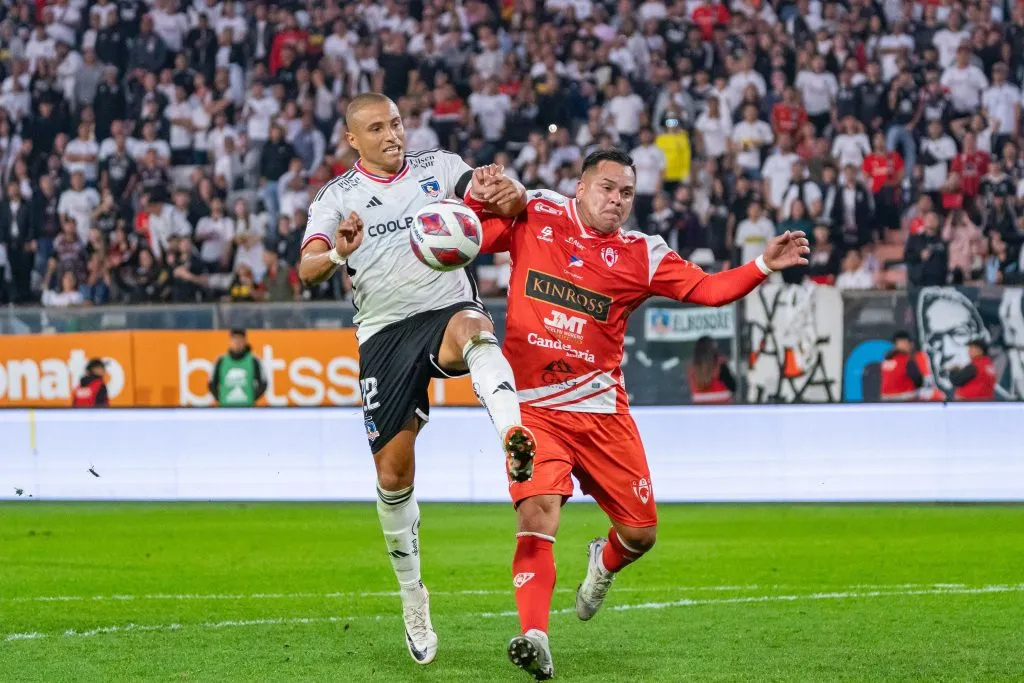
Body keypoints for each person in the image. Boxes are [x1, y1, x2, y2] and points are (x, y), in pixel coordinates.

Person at [468, 150, 809, 679]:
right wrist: (479, 194)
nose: (617, 201)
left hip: (602, 416)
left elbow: (709, 290)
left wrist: (763, 264)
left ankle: (601, 565)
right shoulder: (535, 212)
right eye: (607, 188)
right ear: (579, 187)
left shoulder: (642, 254)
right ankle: (535, 636)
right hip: (534, 411)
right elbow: (468, 236)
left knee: (641, 533)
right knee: (537, 515)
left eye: (626, 193)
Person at [297, 92, 535, 666]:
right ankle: (412, 596)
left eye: (397, 124)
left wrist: (497, 189)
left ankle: (513, 433)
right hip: (381, 335)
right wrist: (337, 255)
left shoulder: (440, 168)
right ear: (353, 139)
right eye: (377, 128)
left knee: (475, 327)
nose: (392, 135)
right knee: (393, 474)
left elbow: (490, 198)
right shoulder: (336, 198)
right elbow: (305, 269)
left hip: (444, 307)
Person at [208, 329, 268, 407]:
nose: (237, 343)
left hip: (247, 408)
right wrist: (221, 398)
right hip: (225, 408)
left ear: (245, 341)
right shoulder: (221, 361)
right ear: (230, 341)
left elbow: (263, 383)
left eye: (240, 340)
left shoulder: (253, 360)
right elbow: (212, 383)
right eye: (234, 339)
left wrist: (252, 398)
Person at [688, 335, 736, 404]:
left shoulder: (692, 367)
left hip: (699, 404)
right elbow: (732, 387)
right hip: (722, 403)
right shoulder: (720, 364)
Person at [879, 332, 924, 401]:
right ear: (902, 343)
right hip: (905, 398)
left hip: (886, 399)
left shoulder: (886, 360)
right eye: (908, 342)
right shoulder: (906, 360)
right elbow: (918, 380)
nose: (911, 346)